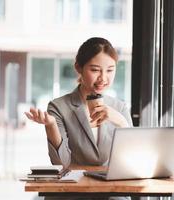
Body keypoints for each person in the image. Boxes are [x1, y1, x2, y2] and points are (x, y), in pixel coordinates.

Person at [25, 37, 133, 168]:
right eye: (95, 70)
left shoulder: (119, 107)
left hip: (113, 185)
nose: (103, 78)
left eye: (110, 70)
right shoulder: (59, 107)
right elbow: (61, 163)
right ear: (78, 68)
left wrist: (121, 121)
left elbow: (134, 158)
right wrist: (51, 125)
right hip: (76, 186)